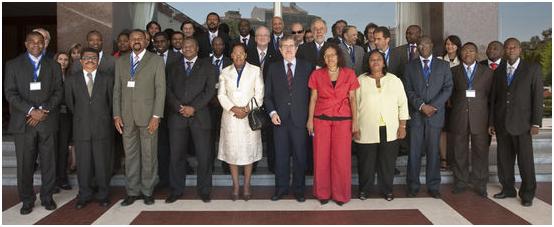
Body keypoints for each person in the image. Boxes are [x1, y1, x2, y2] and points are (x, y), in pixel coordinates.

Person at [5, 31, 63, 214]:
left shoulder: (53, 65)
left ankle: (47, 197)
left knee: (49, 162)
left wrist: (43, 110)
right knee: (25, 164)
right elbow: (10, 93)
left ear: (44, 44)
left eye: (40, 42)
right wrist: (31, 111)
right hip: (24, 122)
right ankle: (27, 200)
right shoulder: (13, 65)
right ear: (26, 43)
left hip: (47, 120)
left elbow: (58, 91)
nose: (36, 45)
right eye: (32, 42)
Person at [113, 29, 166, 206]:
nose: (136, 41)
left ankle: (148, 190)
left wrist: (156, 115)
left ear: (146, 40)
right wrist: (116, 114)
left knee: (149, 155)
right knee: (130, 156)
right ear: (128, 42)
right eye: (133, 38)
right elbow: (117, 90)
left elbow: (161, 89)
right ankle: (132, 191)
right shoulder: (120, 61)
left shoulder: (156, 60)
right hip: (126, 117)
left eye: (140, 38)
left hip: (149, 116)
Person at [489, 38, 544, 207]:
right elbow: (494, 99)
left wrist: (536, 122)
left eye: (514, 47)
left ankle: (527, 194)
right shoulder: (498, 71)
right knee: (504, 159)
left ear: (520, 50)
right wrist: (491, 122)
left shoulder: (532, 69)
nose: (510, 50)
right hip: (502, 122)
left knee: (525, 161)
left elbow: (538, 97)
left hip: (523, 123)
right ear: (504, 51)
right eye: (507, 48)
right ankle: (508, 189)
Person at [165, 37, 217, 203]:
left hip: (200, 116)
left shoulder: (208, 66)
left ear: (197, 48)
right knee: (176, 156)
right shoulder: (173, 66)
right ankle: (176, 190)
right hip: (177, 116)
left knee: (204, 156)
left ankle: (204, 190)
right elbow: (167, 90)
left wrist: (193, 107)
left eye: (191, 46)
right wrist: (179, 107)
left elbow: (209, 91)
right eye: (185, 46)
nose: (187, 48)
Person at [307, 43, 359, 206]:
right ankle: (322, 193)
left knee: (341, 159)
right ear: (323, 58)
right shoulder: (316, 74)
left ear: (339, 56)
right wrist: (309, 120)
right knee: (321, 157)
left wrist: (355, 122)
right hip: (321, 120)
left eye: (333, 55)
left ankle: (341, 194)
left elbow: (353, 99)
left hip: (343, 120)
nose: (330, 58)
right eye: (326, 55)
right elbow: (313, 98)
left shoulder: (349, 74)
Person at [355, 50, 409, 201]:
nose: (376, 62)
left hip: (390, 128)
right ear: (368, 63)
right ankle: (364, 190)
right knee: (366, 164)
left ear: (384, 62)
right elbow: (353, 105)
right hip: (366, 127)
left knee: (387, 163)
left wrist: (402, 126)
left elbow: (403, 104)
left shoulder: (394, 80)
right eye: (372, 60)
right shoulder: (360, 80)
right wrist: (355, 126)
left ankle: (387, 190)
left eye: (379, 59)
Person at [64, 47, 114, 209]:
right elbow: (71, 104)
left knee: (102, 164)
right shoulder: (72, 79)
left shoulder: (107, 78)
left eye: (93, 57)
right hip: (81, 127)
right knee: (84, 164)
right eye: (87, 57)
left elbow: (111, 102)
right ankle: (84, 195)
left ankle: (103, 194)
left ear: (98, 61)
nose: (90, 60)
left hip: (102, 127)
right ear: (81, 61)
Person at [265, 36, 312, 203]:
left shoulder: (307, 67)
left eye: (291, 46)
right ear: (279, 49)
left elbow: (313, 95)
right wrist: (272, 113)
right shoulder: (273, 68)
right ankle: (281, 189)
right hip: (280, 121)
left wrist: (310, 118)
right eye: (285, 46)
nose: (288, 49)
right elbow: (267, 96)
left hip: (300, 120)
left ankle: (299, 190)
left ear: (297, 48)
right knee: (281, 157)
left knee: (300, 157)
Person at [405, 36, 453, 199]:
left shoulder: (443, 65)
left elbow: (448, 88)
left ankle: (433, 186)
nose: (422, 47)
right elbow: (408, 90)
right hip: (417, 115)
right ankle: (412, 185)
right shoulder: (410, 66)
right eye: (420, 45)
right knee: (414, 152)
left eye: (426, 44)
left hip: (435, 115)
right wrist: (421, 106)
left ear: (432, 45)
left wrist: (433, 106)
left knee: (434, 153)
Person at [217, 43, 264, 201]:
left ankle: (247, 185)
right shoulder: (225, 72)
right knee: (232, 153)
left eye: (241, 53)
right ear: (231, 55)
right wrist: (233, 108)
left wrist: (245, 110)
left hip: (248, 118)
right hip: (231, 117)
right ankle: (236, 185)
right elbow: (221, 95)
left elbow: (259, 95)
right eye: (235, 53)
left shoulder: (255, 70)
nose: (238, 56)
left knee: (248, 153)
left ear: (245, 55)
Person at [448, 42, 494, 197]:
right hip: (459, 116)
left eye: (471, 51)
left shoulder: (487, 72)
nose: (467, 53)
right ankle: (460, 182)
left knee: (480, 151)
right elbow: (450, 94)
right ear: (460, 54)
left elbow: (490, 97)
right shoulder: (453, 71)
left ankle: (480, 183)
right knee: (459, 151)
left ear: (476, 54)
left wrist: (491, 121)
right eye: (465, 51)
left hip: (480, 118)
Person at [246, 26, 278, 173]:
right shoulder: (248, 54)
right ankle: (252, 166)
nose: (263, 37)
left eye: (266, 35)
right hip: (251, 100)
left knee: (272, 137)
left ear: (270, 38)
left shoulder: (277, 54)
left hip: (271, 100)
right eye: (259, 35)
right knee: (252, 134)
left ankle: (272, 166)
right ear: (255, 38)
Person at [153, 31, 181, 189]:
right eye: (157, 42)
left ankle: (176, 178)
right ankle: (164, 179)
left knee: (176, 146)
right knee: (161, 147)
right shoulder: (149, 58)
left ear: (168, 42)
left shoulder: (178, 58)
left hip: (174, 109)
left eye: (162, 41)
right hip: (156, 110)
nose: (160, 44)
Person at [437, 35, 462, 171]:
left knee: (456, 131)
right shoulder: (439, 60)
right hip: (442, 101)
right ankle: (444, 159)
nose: (449, 47)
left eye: (452, 44)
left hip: (458, 102)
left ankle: (455, 159)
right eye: (447, 44)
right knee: (443, 130)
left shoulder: (463, 61)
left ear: (458, 46)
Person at [54, 52, 73, 192]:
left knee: (63, 149)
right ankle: (52, 181)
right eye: (60, 59)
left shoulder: (71, 76)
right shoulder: (49, 75)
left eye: (66, 59)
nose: (63, 62)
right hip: (52, 116)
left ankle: (63, 178)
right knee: (51, 149)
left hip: (66, 116)